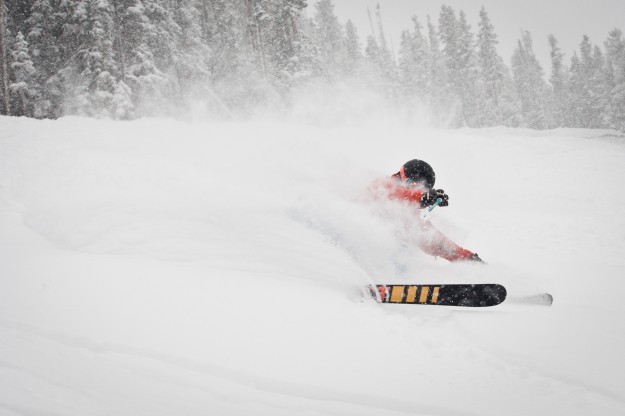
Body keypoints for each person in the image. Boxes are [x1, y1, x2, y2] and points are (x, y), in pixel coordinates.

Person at [371, 159, 483, 263]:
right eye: (415, 187)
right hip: (365, 253)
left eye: (422, 190)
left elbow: (435, 242)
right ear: (406, 180)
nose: (417, 191)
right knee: (395, 242)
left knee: (407, 248)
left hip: (386, 268)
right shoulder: (382, 186)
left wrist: (468, 258)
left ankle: (398, 280)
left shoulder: (409, 217)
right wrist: (424, 197)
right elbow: (397, 194)